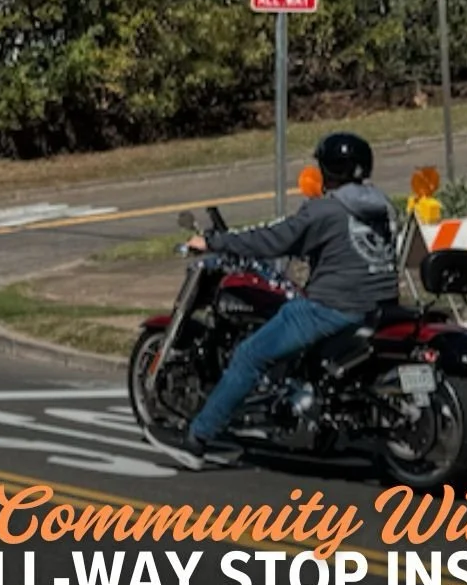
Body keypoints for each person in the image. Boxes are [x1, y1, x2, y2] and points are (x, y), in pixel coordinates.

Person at [145, 132, 399, 470]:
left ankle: (197, 440)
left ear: (328, 170)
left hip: (332, 307)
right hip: (381, 305)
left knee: (249, 355)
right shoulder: (382, 205)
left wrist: (215, 242)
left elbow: (274, 240)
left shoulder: (325, 210)